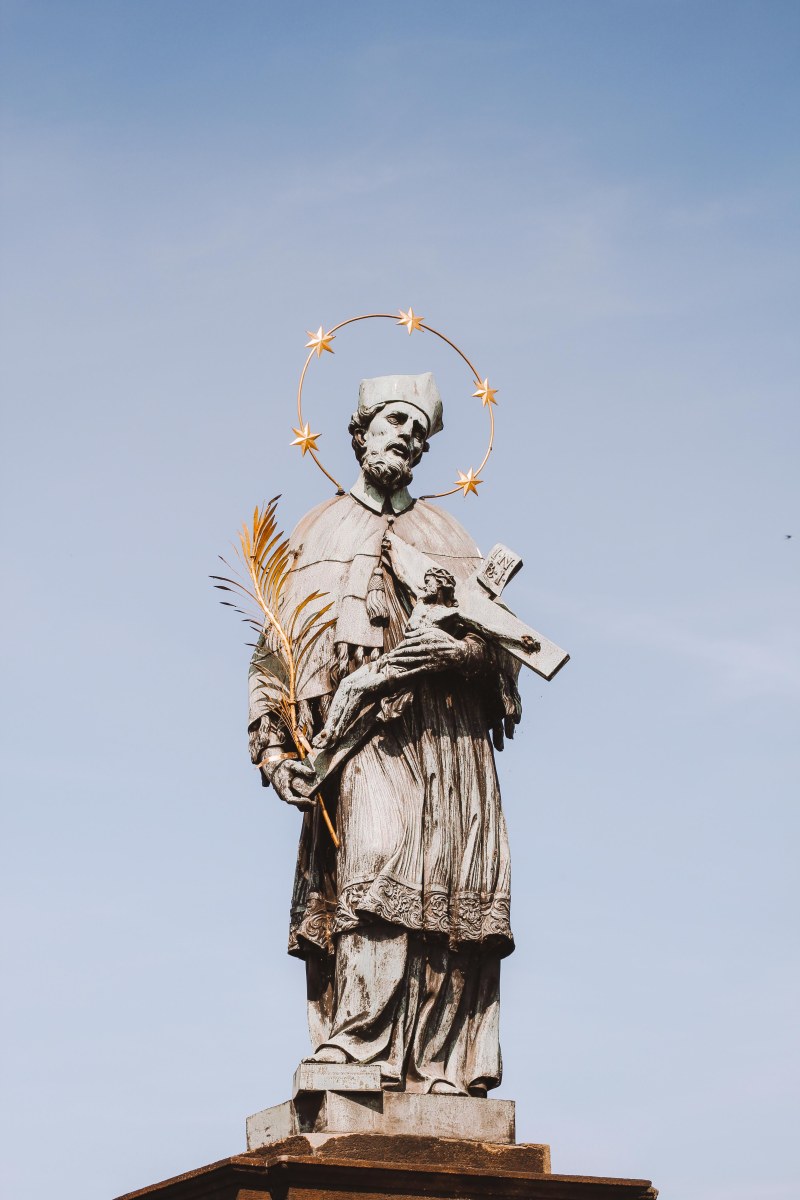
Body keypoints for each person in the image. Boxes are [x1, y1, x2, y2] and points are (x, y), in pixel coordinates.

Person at [248, 372, 521, 1096]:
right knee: (375, 864)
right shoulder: (318, 531)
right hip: (363, 735)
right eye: (395, 421)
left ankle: (441, 1064)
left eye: (419, 431)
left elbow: (503, 655)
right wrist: (274, 751)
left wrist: (459, 653)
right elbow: (275, 651)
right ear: (360, 431)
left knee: (449, 888)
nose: (407, 437)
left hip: (449, 739)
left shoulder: (446, 536)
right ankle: (360, 1040)